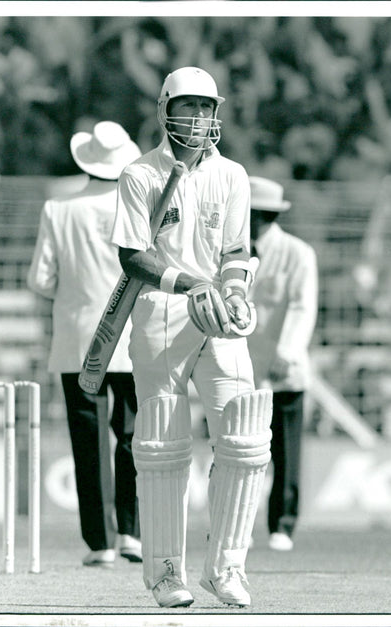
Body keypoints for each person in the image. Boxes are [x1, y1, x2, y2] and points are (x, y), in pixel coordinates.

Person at [110, 66, 272, 608]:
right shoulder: (140, 174)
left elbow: (236, 251)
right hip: (162, 312)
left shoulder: (234, 175)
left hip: (217, 314)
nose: (199, 119)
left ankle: (226, 568)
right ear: (165, 111)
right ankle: (164, 573)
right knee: (161, 443)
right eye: (188, 108)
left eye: (207, 108)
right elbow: (132, 255)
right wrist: (188, 283)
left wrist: (233, 291)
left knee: (246, 437)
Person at [27, 120, 143, 568]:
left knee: (89, 440)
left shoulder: (59, 209)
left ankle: (102, 541)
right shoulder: (138, 208)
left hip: (78, 340)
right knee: (132, 436)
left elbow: (41, 279)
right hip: (132, 336)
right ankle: (132, 532)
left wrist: (71, 289)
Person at [246, 176, 318, 552]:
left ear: (265, 215)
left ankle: (283, 525)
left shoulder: (297, 253)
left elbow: (303, 306)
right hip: (242, 369)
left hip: (283, 371)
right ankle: (237, 523)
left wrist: (286, 354)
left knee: (286, 454)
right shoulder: (231, 249)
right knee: (240, 450)